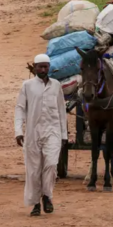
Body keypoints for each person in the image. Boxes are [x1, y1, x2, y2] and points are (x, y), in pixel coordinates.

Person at [14, 54, 68, 217]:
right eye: (40, 67)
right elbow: (20, 108)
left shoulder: (56, 85)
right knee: (34, 170)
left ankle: (47, 196)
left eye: (46, 66)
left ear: (49, 67)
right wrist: (18, 131)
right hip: (32, 133)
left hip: (53, 132)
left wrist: (64, 134)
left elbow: (61, 110)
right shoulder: (27, 85)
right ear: (35, 68)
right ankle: (36, 203)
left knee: (51, 165)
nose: (43, 69)